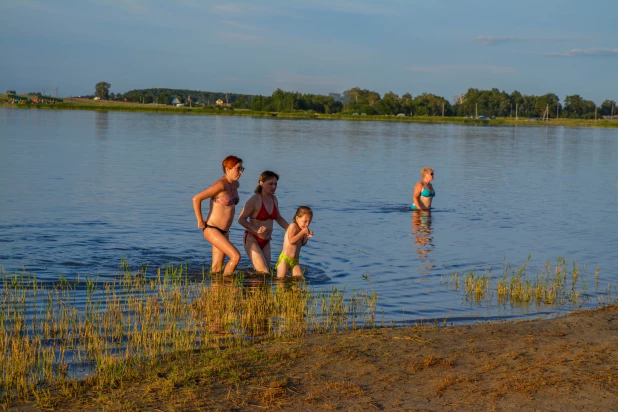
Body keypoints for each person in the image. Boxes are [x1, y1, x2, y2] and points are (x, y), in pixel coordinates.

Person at [192, 155, 244, 275]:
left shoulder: (235, 185)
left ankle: (217, 291)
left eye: (242, 169)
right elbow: (196, 199)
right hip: (212, 229)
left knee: (216, 269)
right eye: (238, 169)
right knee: (236, 257)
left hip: (225, 231)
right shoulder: (220, 185)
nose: (240, 172)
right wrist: (200, 221)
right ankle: (227, 284)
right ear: (227, 169)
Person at [237, 171, 289, 273]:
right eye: (271, 184)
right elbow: (241, 219)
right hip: (252, 239)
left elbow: (278, 217)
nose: (274, 186)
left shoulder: (274, 199)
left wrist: (292, 229)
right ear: (261, 183)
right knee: (264, 272)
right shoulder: (255, 199)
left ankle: (248, 276)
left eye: (275, 184)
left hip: (266, 241)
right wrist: (256, 230)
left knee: (266, 271)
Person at [276, 206, 313, 278]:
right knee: (281, 280)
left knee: (299, 280)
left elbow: (301, 244)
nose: (307, 224)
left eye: (309, 221)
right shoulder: (293, 226)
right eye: (305, 221)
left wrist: (306, 238)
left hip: (295, 261)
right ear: (297, 218)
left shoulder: (302, 229)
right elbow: (291, 241)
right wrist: (302, 232)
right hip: (285, 259)